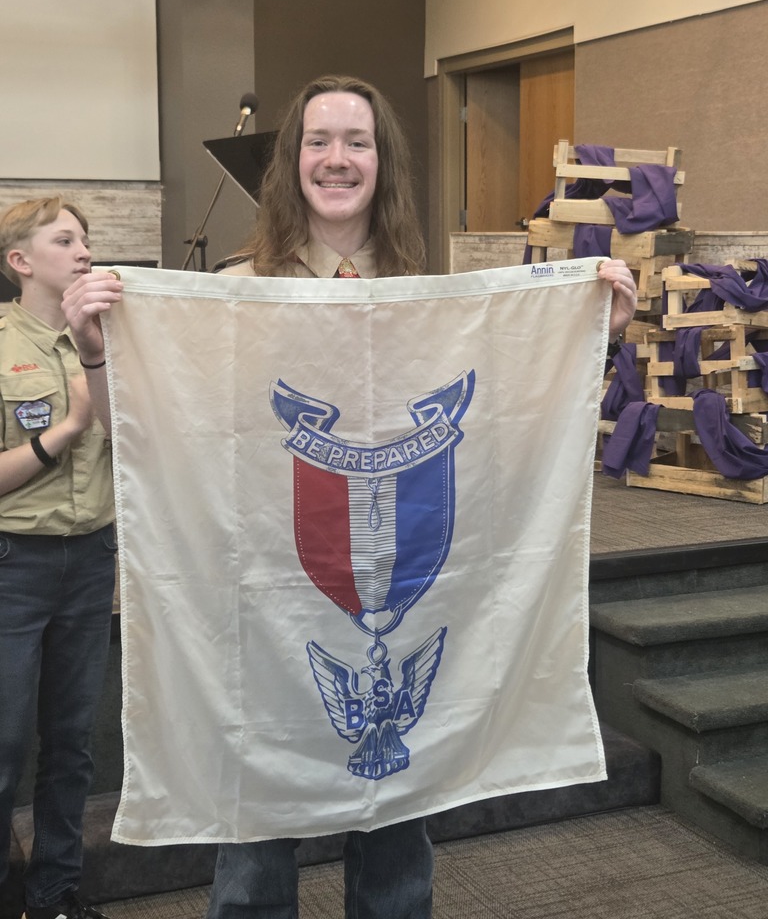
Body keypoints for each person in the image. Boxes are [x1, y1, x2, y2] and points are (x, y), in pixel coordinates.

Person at [62, 75, 638, 918]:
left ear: (382, 160)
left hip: (408, 603)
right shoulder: (233, 290)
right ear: (292, 160)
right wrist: (98, 351)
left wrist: (587, 337)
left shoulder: (428, 295)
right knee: (254, 863)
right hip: (261, 608)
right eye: (319, 141)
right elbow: (147, 440)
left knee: (398, 853)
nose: (337, 159)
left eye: (357, 142)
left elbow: (504, 436)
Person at [0, 197, 116, 919]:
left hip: (91, 559)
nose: (82, 251)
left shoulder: (106, 342)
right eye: (64, 239)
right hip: (15, 564)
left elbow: (140, 443)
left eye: (86, 240)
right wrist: (67, 428)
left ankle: (56, 895)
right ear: (21, 261)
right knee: (4, 743)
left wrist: (98, 355)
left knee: (72, 743)